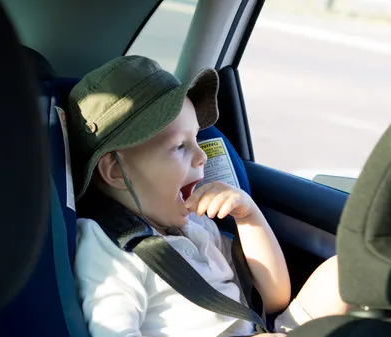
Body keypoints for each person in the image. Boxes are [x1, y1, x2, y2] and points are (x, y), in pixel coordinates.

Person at [65, 55, 349, 337]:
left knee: (345, 271)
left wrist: (249, 216)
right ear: (116, 170)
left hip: (262, 328)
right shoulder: (110, 250)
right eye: (179, 146)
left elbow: (273, 298)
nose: (201, 156)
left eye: (197, 139)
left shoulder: (196, 225)